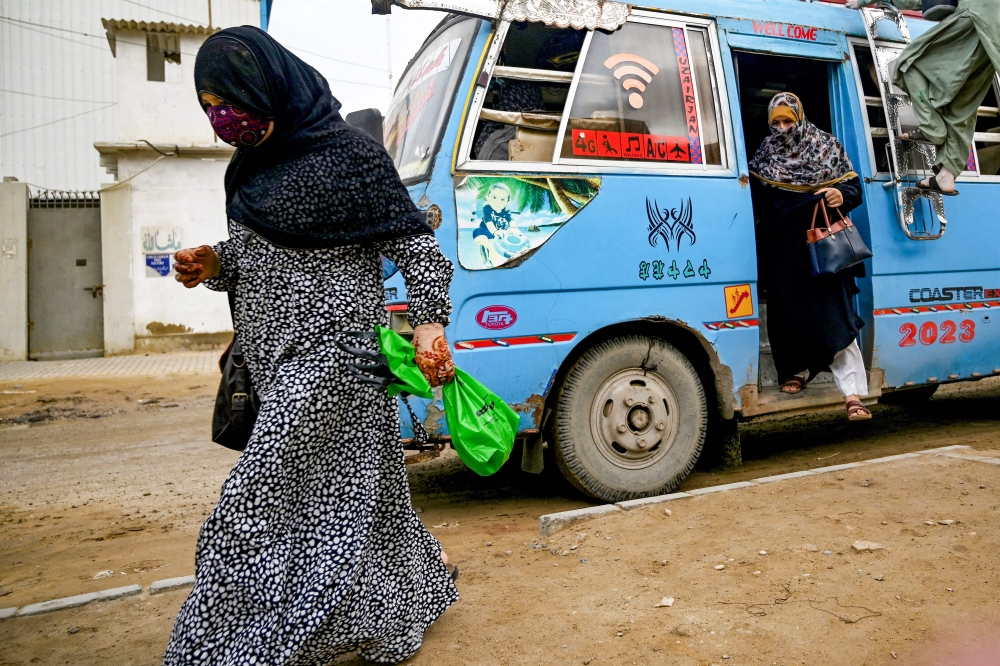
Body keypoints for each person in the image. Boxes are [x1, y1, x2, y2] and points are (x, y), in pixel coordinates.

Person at [164, 26, 458, 665]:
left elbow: (416, 249)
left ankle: (227, 647)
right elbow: (255, 253)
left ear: (270, 86)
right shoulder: (251, 169)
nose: (221, 115)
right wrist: (213, 262)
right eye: (207, 101)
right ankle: (389, 606)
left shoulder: (352, 157)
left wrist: (430, 324)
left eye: (231, 97)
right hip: (274, 362)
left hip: (334, 362)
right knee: (354, 505)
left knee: (253, 507)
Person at [750, 93, 872, 421]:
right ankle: (796, 371)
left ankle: (852, 393)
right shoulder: (765, 152)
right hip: (784, 248)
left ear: (800, 118)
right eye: (775, 122)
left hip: (822, 245)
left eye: (788, 121)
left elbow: (854, 190)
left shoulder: (825, 146)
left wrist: (838, 194)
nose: (782, 128)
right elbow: (755, 199)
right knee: (788, 312)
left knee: (834, 315)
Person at [848, 0, 1000, 195]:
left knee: (910, 64)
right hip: (991, 43)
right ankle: (947, 175)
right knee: (962, 106)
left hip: (975, 16)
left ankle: (932, 127)